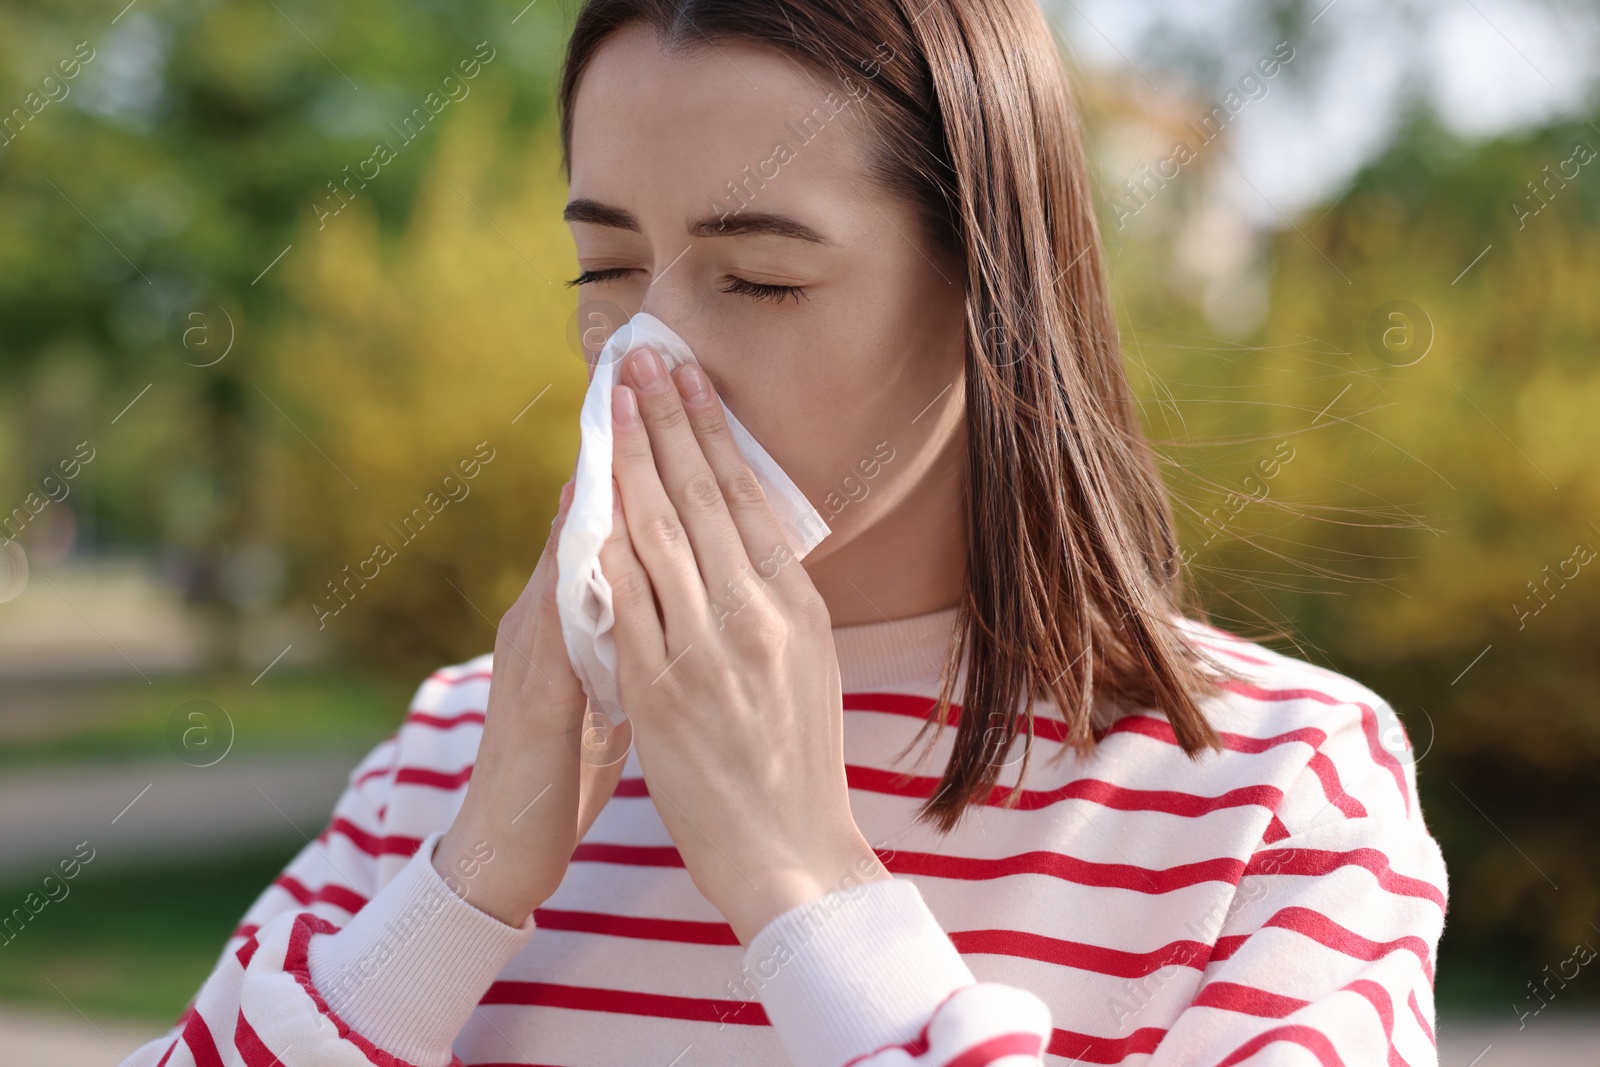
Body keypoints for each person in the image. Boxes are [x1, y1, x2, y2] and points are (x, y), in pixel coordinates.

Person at [122, 0, 1449, 1064]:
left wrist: (806, 892)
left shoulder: (1275, 794)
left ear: (992, 294)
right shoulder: (455, 750)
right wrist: (460, 894)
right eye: (607, 272)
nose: (647, 358)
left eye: (760, 277)